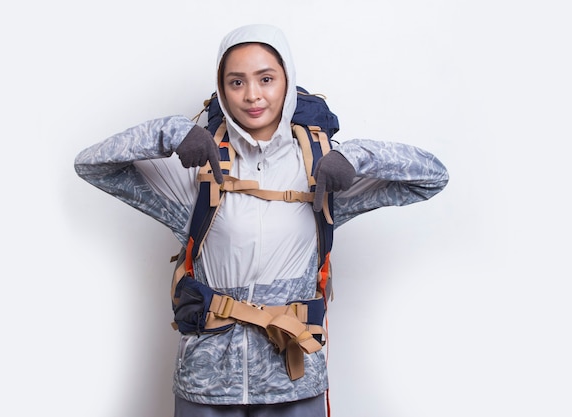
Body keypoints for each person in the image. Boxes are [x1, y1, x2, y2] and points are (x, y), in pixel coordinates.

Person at [74, 24, 449, 417]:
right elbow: (92, 166)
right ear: (221, 89)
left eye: (266, 79)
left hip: (294, 381)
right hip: (206, 385)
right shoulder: (198, 169)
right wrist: (169, 133)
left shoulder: (322, 170)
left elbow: (431, 178)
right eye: (236, 82)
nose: (252, 95)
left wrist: (357, 157)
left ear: (288, 81)